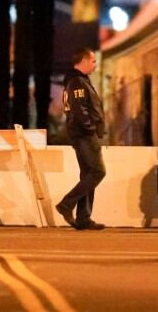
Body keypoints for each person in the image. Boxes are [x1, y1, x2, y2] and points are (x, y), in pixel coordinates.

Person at [55, 48, 106, 230]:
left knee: (88, 175)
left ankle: (84, 217)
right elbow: (79, 109)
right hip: (83, 134)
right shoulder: (77, 81)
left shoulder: (77, 80)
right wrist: (90, 128)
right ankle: (66, 204)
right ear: (83, 60)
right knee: (97, 172)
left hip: (81, 133)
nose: (95, 64)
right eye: (93, 61)